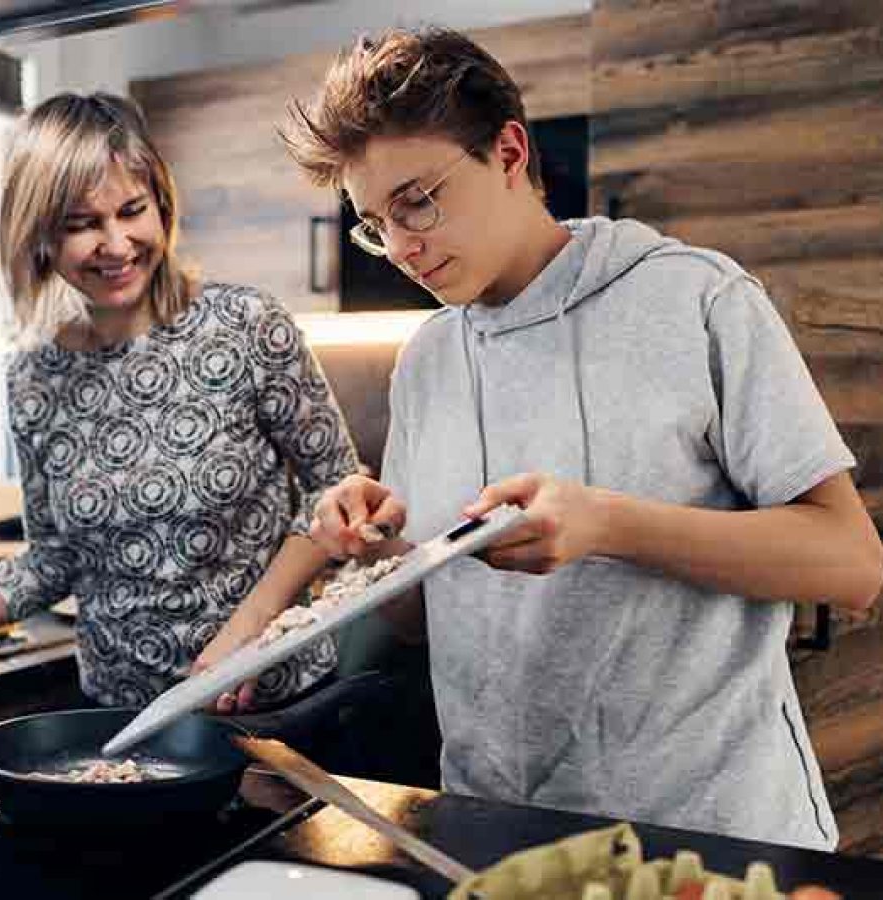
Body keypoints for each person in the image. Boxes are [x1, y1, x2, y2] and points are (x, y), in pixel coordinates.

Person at [284, 27, 883, 849]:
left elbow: (851, 564)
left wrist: (608, 525)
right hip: (503, 834)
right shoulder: (426, 360)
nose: (402, 247)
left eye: (418, 199)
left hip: (710, 833)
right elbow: (428, 622)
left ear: (508, 152)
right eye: (374, 223)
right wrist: (376, 553)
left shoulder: (695, 300)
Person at [0, 92, 358, 714]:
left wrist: (248, 631)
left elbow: (340, 496)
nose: (117, 243)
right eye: (83, 224)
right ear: (40, 239)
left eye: (132, 211)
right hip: (120, 721)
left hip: (272, 705)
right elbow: (50, 561)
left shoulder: (245, 325)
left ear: (161, 204)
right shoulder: (34, 376)